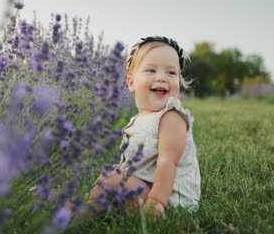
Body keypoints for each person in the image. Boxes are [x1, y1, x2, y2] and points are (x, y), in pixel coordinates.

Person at [69, 36, 201, 220]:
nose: (161, 77)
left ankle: (74, 216)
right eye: (151, 70)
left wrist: (156, 202)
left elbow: (167, 163)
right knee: (110, 176)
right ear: (131, 83)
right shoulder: (140, 119)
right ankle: (79, 207)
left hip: (169, 201)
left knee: (114, 179)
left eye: (171, 73)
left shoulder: (171, 117)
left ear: (179, 81)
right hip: (145, 189)